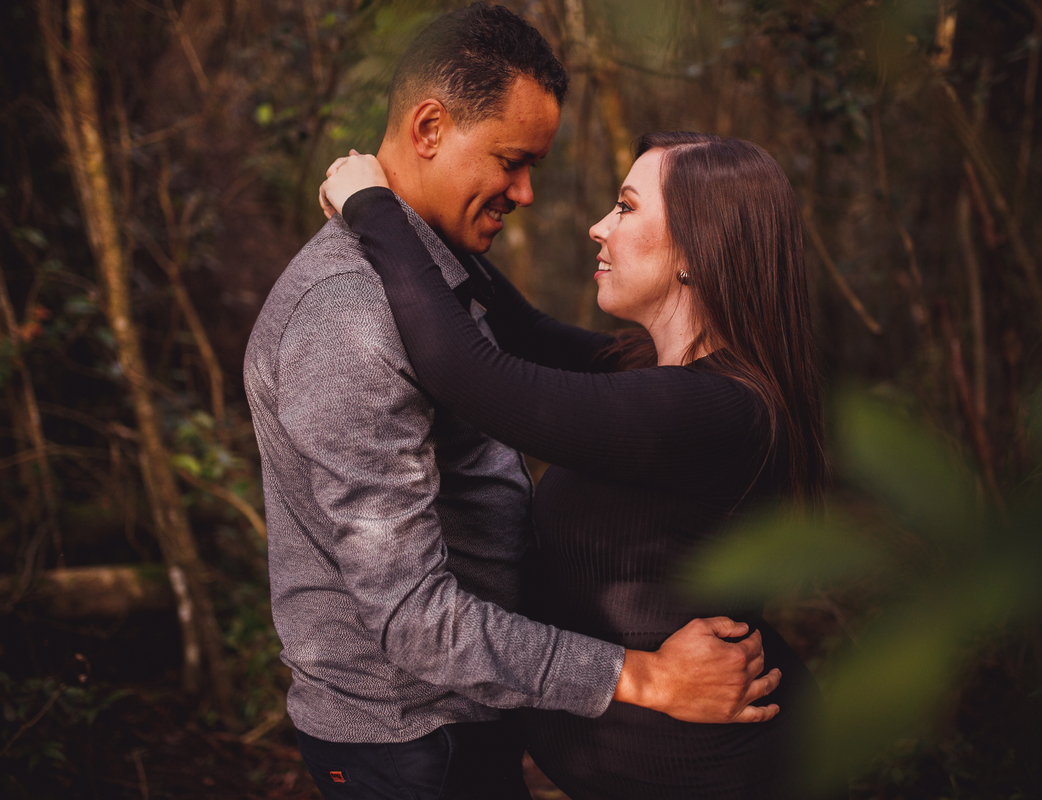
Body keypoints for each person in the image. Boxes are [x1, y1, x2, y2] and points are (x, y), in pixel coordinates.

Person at [244, 5, 782, 800]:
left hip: (476, 712)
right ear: (429, 127)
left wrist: (378, 209)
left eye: (627, 209)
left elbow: (492, 370)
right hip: (413, 732)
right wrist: (642, 678)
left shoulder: (698, 394)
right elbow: (414, 618)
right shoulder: (350, 317)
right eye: (511, 160)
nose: (528, 193)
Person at [319, 130, 826, 799]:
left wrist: (374, 209)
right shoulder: (653, 372)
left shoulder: (710, 409)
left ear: (696, 252)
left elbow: (471, 374)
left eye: (625, 207)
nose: (598, 227)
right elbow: (518, 326)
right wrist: (423, 207)